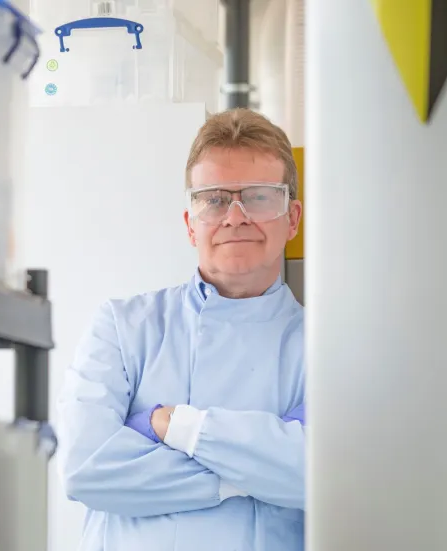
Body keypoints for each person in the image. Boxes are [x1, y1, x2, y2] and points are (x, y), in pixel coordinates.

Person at [58, 108, 306, 551]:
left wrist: (175, 426)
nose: (235, 217)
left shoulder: (325, 348)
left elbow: (321, 474)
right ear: (191, 224)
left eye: (259, 196)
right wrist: (255, 472)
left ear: (292, 218)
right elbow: (85, 468)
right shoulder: (122, 327)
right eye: (213, 199)